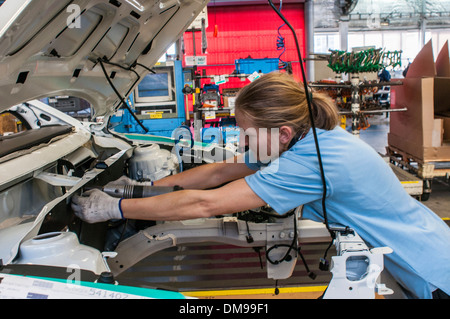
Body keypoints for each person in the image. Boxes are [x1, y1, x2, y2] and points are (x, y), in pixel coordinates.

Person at [71, 72, 450, 299]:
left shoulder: (310, 161)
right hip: (421, 247)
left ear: (281, 133)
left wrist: (114, 209)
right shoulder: (304, 139)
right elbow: (219, 173)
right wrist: (143, 189)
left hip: (429, 270)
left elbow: (207, 204)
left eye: (245, 132)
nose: (242, 141)